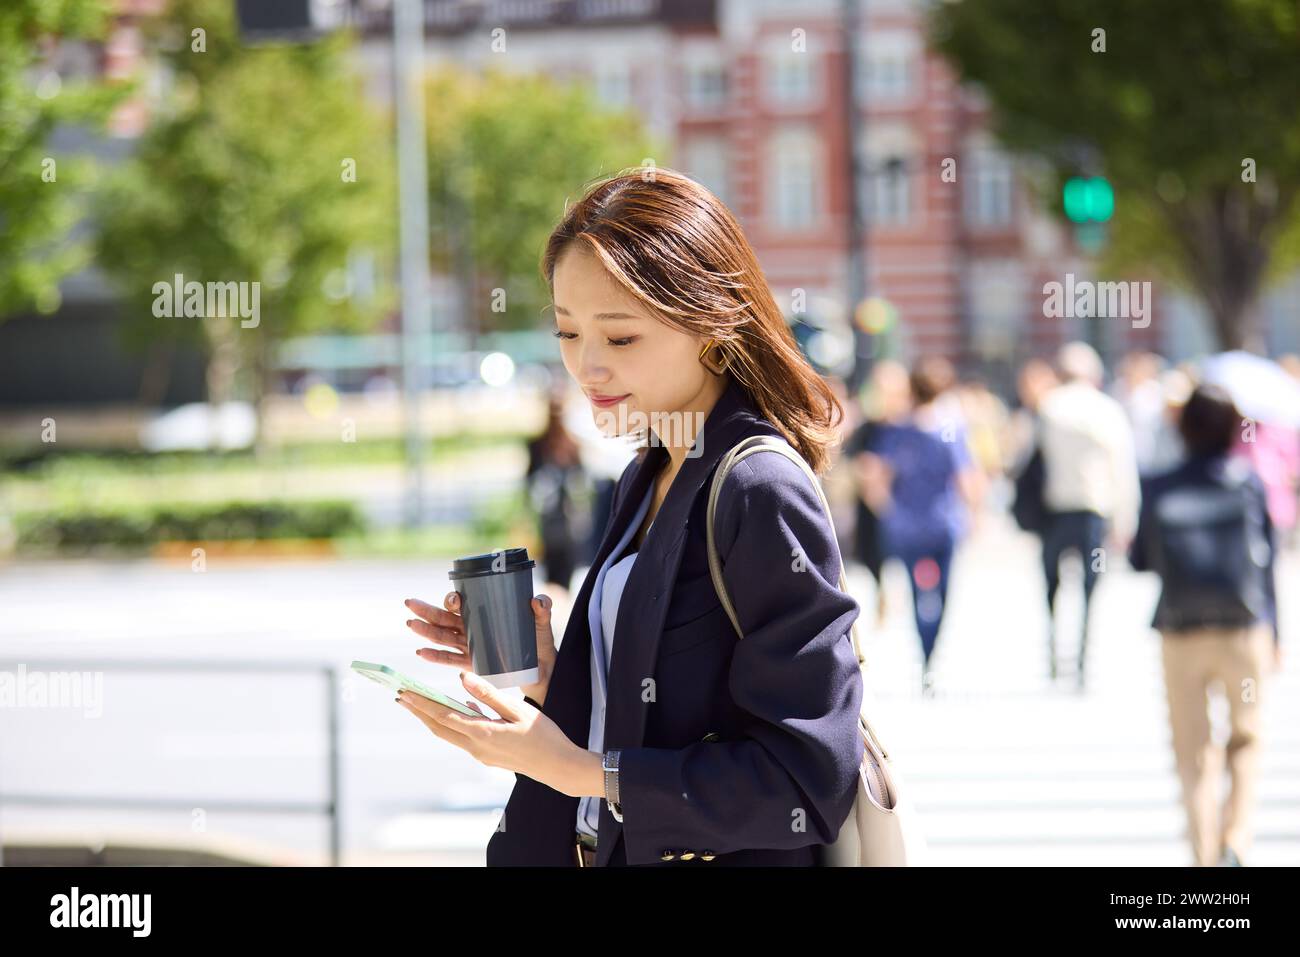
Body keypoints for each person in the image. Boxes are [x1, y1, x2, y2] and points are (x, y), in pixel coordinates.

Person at [399, 167, 864, 866]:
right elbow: (660, 708)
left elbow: (808, 777)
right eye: (566, 332)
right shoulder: (645, 473)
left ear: (710, 325)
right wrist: (553, 675)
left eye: (620, 338)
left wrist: (576, 770)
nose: (587, 367)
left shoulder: (756, 486)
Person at [1129, 384, 1282, 867]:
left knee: (1193, 753)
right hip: (1242, 629)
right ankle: (1236, 838)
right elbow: (1267, 563)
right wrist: (1275, 632)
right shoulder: (1248, 481)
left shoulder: (1159, 483)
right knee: (1247, 736)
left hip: (1180, 631)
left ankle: (1204, 858)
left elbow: (1139, 557)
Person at [857, 357, 981, 695]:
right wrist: (975, 516)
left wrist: (889, 511)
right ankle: (932, 653)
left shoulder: (897, 431)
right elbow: (968, 478)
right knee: (943, 593)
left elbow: (874, 477)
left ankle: (925, 655)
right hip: (944, 523)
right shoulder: (951, 429)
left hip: (908, 526)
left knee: (917, 592)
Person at [1036, 341, 1140, 687]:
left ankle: (1053, 648)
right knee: (1089, 586)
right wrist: (1125, 520)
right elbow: (1122, 470)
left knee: (1051, 583)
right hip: (1094, 511)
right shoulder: (1107, 410)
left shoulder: (1048, 408)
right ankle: (1080, 658)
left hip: (1054, 511)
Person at [525, 393, 587, 592]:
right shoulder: (538, 445)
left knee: (567, 572)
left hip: (570, 521)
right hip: (548, 520)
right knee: (551, 574)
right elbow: (530, 481)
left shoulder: (573, 445)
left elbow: (582, 480)